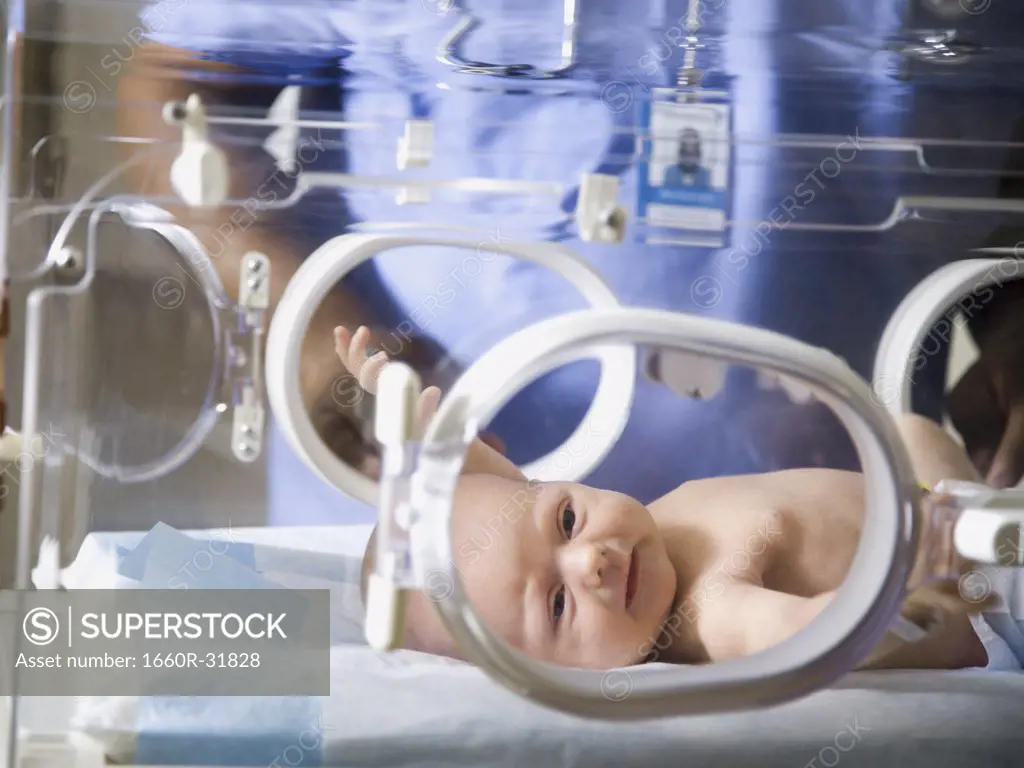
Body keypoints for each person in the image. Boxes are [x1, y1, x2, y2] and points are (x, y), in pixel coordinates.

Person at [118, 0, 1024, 532]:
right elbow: (179, 87)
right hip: (418, 496)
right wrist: (320, 346)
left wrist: (1011, 314)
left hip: (848, 521)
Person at [342, 322, 1004, 671]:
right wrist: (898, 598)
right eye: (556, 604)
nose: (589, 562)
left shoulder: (568, 528)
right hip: (974, 593)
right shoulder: (709, 614)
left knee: (911, 429)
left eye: (568, 521)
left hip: (941, 501)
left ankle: (989, 487)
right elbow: (805, 634)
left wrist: (410, 426)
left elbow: (510, 497)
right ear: (545, 674)